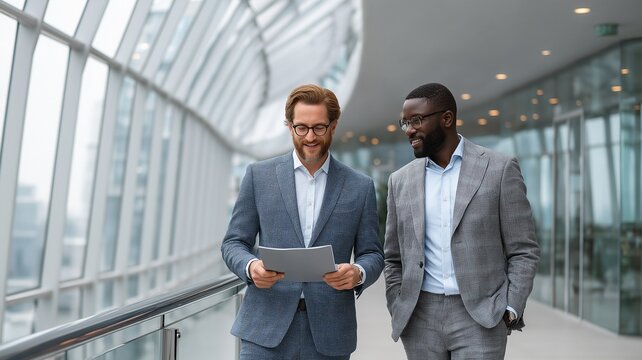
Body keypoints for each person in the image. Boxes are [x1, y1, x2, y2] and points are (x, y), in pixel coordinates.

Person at [221, 84, 384, 360]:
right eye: (301, 128)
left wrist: (358, 272)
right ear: (289, 126)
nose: (310, 137)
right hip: (264, 330)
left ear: (333, 126)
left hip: (330, 333)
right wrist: (251, 267)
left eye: (319, 127)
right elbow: (234, 242)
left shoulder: (360, 186)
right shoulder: (258, 177)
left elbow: (373, 253)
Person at [384, 83, 540, 359]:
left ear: (447, 119)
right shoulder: (400, 180)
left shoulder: (499, 169)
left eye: (417, 120)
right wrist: (398, 303)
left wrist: (510, 308)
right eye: (405, 122)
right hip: (419, 317)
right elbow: (393, 257)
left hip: (481, 317)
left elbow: (523, 249)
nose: (409, 129)